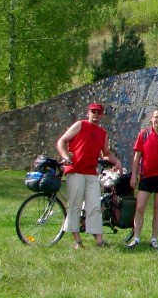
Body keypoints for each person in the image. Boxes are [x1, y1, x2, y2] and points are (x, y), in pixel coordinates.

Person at [56, 102, 122, 249]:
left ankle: (99, 240)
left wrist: (117, 162)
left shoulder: (103, 133)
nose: (96, 114)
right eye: (93, 112)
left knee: (94, 206)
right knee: (75, 205)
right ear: (88, 113)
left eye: (98, 112)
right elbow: (61, 141)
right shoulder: (80, 125)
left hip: (91, 173)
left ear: (102, 115)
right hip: (75, 170)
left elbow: (106, 153)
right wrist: (65, 155)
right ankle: (77, 241)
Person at [127, 108, 158, 249]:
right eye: (156, 117)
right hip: (146, 177)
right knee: (140, 207)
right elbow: (137, 157)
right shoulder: (143, 134)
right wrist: (133, 175)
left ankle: (154, 239)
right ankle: (136, 238)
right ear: (151, 119)